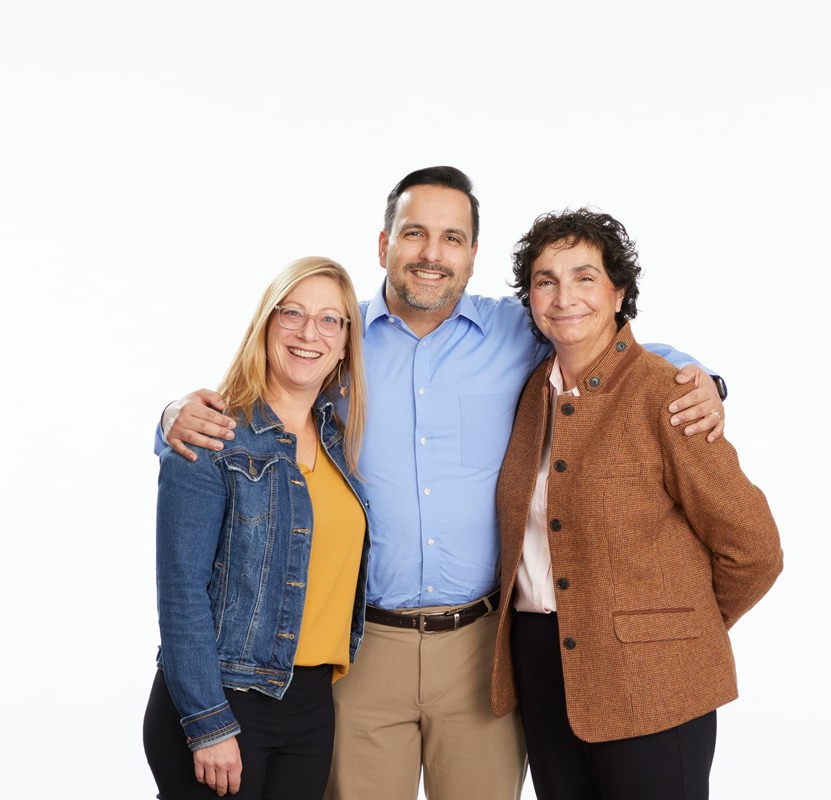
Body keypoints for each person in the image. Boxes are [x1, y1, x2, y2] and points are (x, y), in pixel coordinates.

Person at [161, 167, 728, 800]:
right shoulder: (334, 339)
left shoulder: (521, 331)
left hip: (482, 652)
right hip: (364, 652)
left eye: (452, 238)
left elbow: (617, 351)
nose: (432, 254)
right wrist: (170, 419)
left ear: (472, 255)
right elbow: (244, 411)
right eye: (415, 234)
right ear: (383, 246)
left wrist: (704, 378)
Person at [490, 208, 783, 800]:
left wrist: (670, 631)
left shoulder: (665, 391)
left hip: (653, 678)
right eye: (546, 280)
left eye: (585, 277)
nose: (564, 295)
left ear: (619, 292)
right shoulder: (529, 394)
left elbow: (754, 548)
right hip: (541, 666)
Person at [143, 256, 372, 799]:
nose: (308, 332)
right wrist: (209, 723)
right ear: (265, 326)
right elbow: (181, 594)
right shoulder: (211, 435)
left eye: (329, 320)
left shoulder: (338, 444)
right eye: (290, 313)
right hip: (224, 698)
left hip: (311, 705)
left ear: (344, 345)